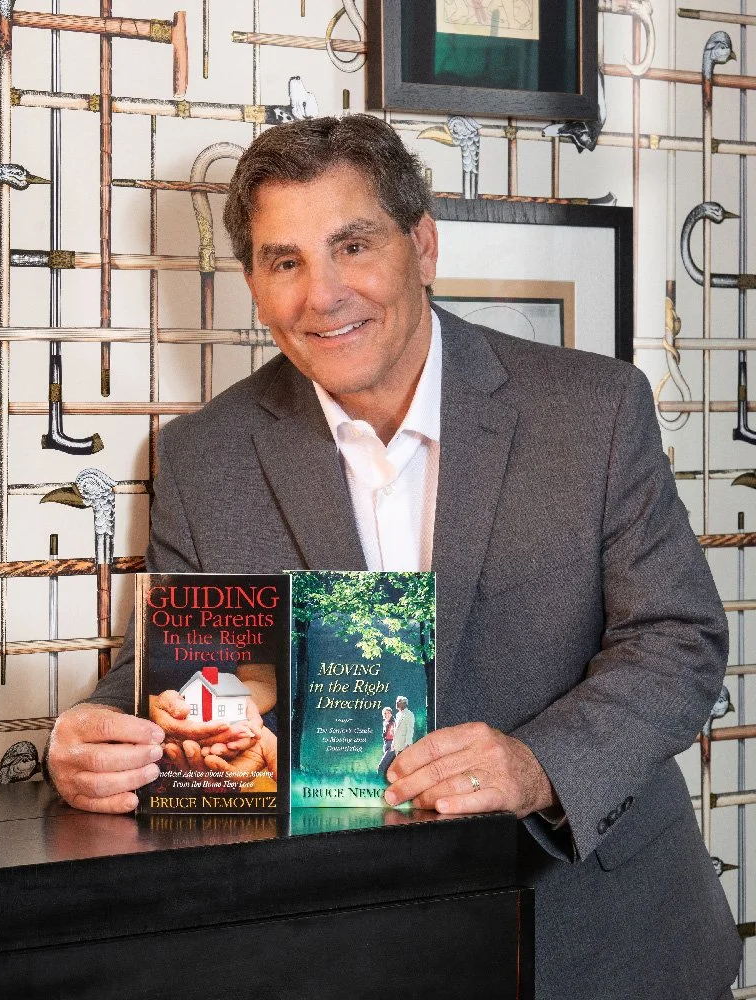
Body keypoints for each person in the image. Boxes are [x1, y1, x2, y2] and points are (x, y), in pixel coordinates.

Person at [44, 114, 741, 999]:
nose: (321, 295)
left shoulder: (593, 409)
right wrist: (94, 735)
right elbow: (188, 660)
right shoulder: (203, 455)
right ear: (254, 282)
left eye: (353, 245)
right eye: (283, 261)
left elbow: (678, 637)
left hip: (602, 936)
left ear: (423, 244)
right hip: (344, 952)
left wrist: (538, 765)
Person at [377, 706, 395, 779]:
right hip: (386, 744)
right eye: (384, 713)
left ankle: (378, 780)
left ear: (391, 714)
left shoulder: (395, 723)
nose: (386, 715)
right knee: (388, 767)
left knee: (381, 766)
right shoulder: (385, 723)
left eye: (388, 713)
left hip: (392, 745)